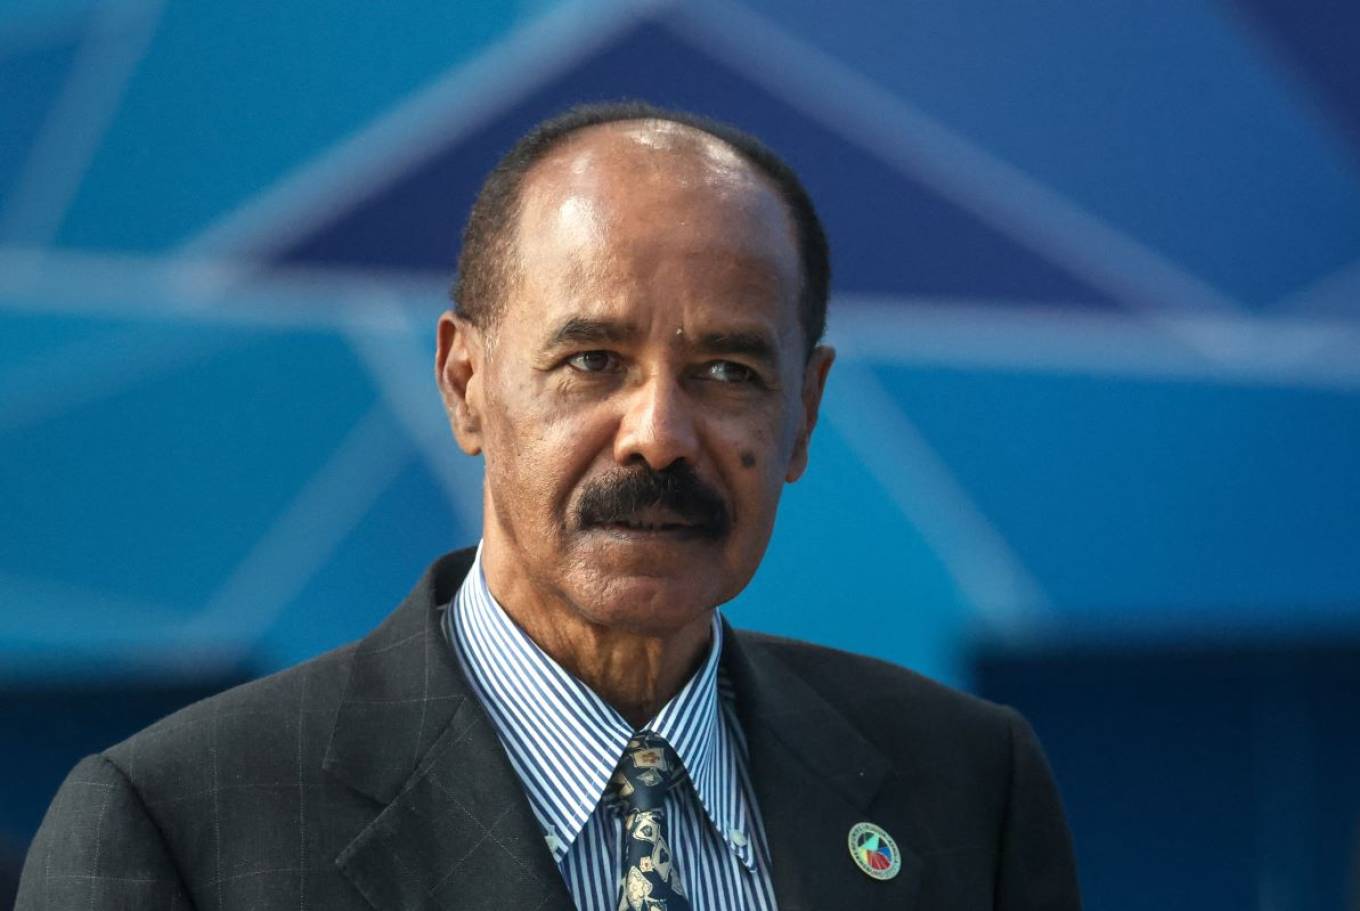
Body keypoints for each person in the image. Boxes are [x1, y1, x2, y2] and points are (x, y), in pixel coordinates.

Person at [17, 102, 1080, 910]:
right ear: (465, 383)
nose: (659, 433)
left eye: (727, 371)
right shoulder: (177, 828)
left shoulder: (966, 786)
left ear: (803, 412)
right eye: (591, 360)